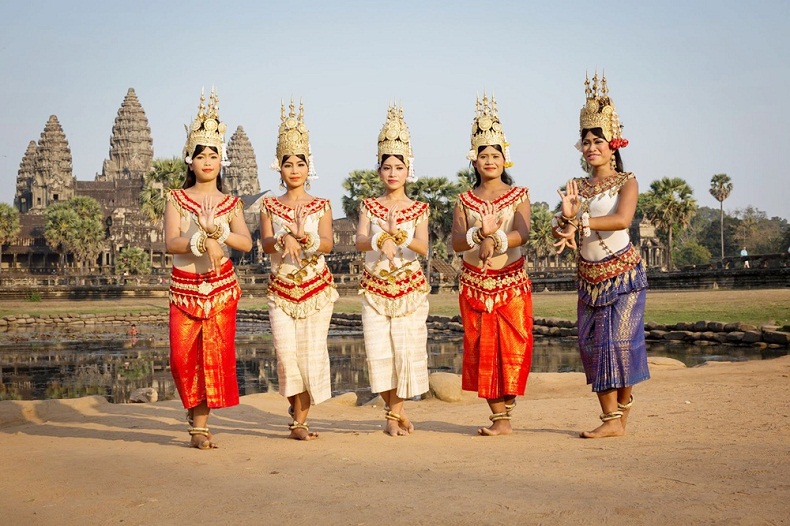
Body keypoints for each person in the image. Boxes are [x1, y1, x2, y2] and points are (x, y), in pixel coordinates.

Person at [553, 72, 649, 438]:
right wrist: (565, 220)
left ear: (614, 145)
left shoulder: (628, 181)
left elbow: (622, 219)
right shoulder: (575, 187)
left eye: (599, 140)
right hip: (588, 278)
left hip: (623, 275)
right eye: (586, 141)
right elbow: (559, 226)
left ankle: (618, 415)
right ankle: (614, 419)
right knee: (592, 346)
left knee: (620, 345)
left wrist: (580, 219)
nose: (592, 147)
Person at [164, 88, 253, 449]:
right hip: (185, 285)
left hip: (220, 287)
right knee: (181, 357)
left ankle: (200, 427)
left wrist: (222, 232)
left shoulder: (231, 202)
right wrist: (202, 241)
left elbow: (246, 243)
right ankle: (193, 409)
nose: (206, 161)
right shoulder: (176, 198)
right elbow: (171, 242)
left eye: (213, 155)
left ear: (222, 160)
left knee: (212, 358)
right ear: (190, 160)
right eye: (200, 155)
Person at [451, 95, 533, 436]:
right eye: (483, 155)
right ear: (475, 159)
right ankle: (500, 418)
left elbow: (523, 233)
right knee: (481, 349)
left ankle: (508, 404)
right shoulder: (464, 200)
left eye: (495, 155)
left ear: (505, 159)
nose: (489, 160)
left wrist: (495, 239)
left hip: (511, 282)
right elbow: (456, 242)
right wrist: (475, 234)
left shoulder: (519, 195)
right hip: (475, 285)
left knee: (516, 345)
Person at [260, 99, 338, 441]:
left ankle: (300, 421)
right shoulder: (268, 204)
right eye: (288, 164)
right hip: (281, 289)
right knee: (285, 355)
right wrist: (282, 237)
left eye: (300, 163)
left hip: (316, 290)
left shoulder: (322, 205)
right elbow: (263, 243)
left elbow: (327, 244)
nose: (294, 170)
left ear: (310, 167)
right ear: (279, 167)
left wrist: (304, 239)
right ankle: (296, 408)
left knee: (308, 356)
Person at [355, 105, 430, 436]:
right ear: (379, 170)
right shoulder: (369, 205)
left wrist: (401, 236)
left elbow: (424, 248)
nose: (392, 173)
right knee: (378, 352)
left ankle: (393, 415)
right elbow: (359, 240)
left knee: (405, 353)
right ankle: (395, 414)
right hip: (374, 288)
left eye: (399, 167)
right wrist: (378, 237)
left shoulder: (419, 208)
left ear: (407, 169)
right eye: (387, 167)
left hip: (409, 288)